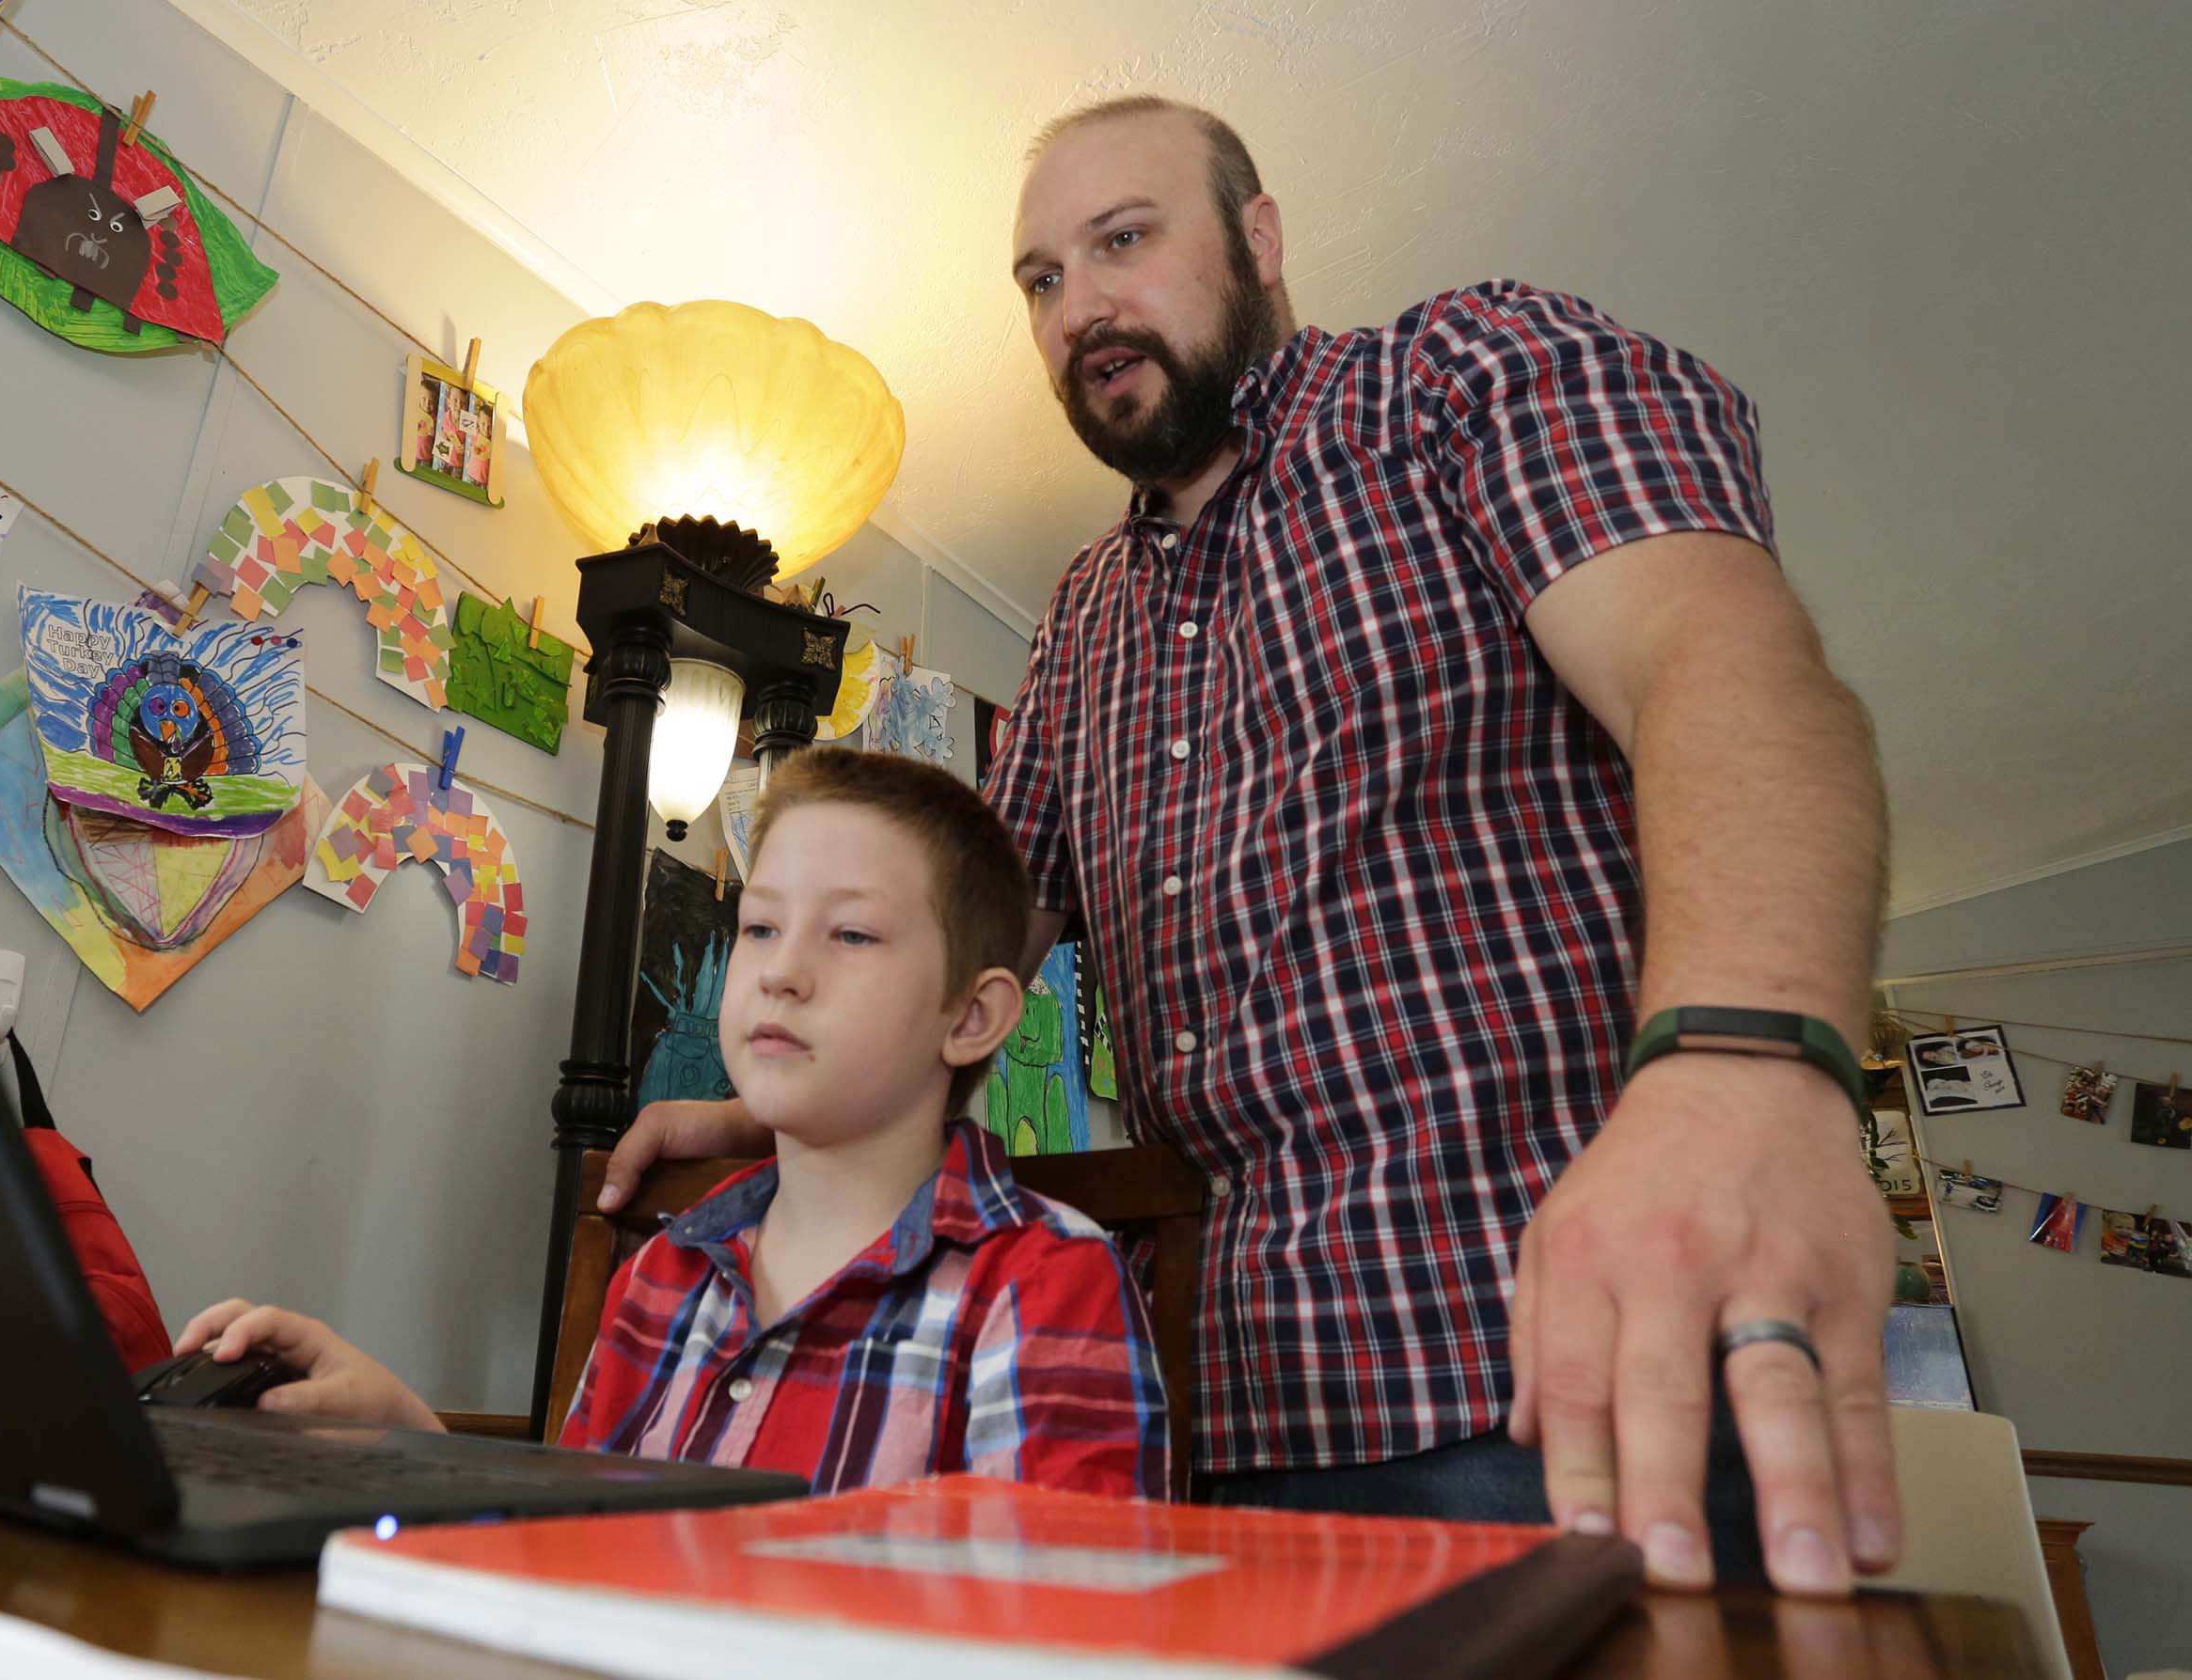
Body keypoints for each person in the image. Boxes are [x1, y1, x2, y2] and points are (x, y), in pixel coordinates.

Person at [605, 96, 1899, 1597]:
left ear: (1259, 237)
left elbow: (1722, 665)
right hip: (1205, 1416)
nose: (1081, 302)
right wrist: (794, 1103)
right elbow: (954, 946)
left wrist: (1742, 1062)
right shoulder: (1081, 619)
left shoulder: (1457, 380)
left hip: (1557, 1383)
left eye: (1125, 239)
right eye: (1040, 278)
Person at [176, 750, 1171, 1499]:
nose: (781, 968)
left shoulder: (1047, 1288)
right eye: (760, 926)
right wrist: (393, 1423)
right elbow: (566, 1553)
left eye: (853, 931)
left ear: (972, 1016)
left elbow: (1066, 1637)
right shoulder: (665, 1272)